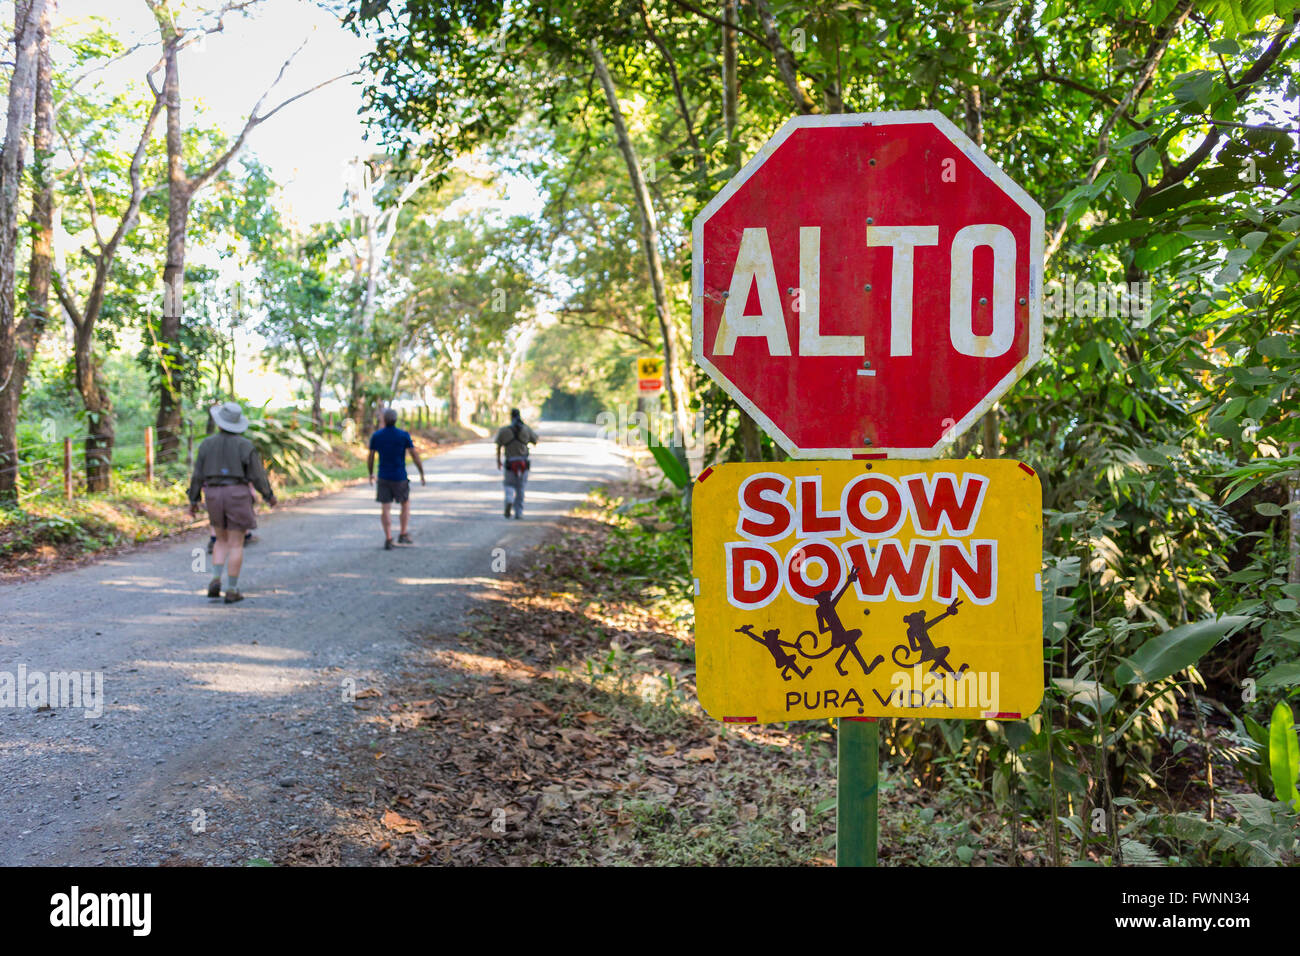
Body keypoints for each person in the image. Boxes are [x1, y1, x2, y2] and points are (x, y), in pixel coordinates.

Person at [187, 401, 277, 604]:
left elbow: (197, 476)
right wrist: (268, 495)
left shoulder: (207, 444)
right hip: (237, 493)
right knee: (236, 543)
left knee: (220, 539)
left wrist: (193, 501)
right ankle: (232, 588)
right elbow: (257, 475)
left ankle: (216, 578)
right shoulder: (245, 446)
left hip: (213, 494)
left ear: (219, 423)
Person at [368, 407, 426, 550]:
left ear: (384, 420)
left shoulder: (377, 436)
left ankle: (388, 538)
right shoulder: (403, 435)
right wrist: (421, 473)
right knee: (405, 504)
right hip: (400, 477)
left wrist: (370, 473)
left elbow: (370, 457)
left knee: (385, 508)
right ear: (396, 420)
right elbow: (414, 455)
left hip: (383, 477)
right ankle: (403, 533)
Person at [495, 408, 538, 519]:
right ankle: (518, 513)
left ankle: (509, 499)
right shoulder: (526, 429)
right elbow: (535, 440)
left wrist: (499, 461)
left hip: (510, 462)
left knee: (509, 484)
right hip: (523, 463)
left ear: (510, 417)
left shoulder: (504, 430)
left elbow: (499, 446)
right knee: (521, 488)